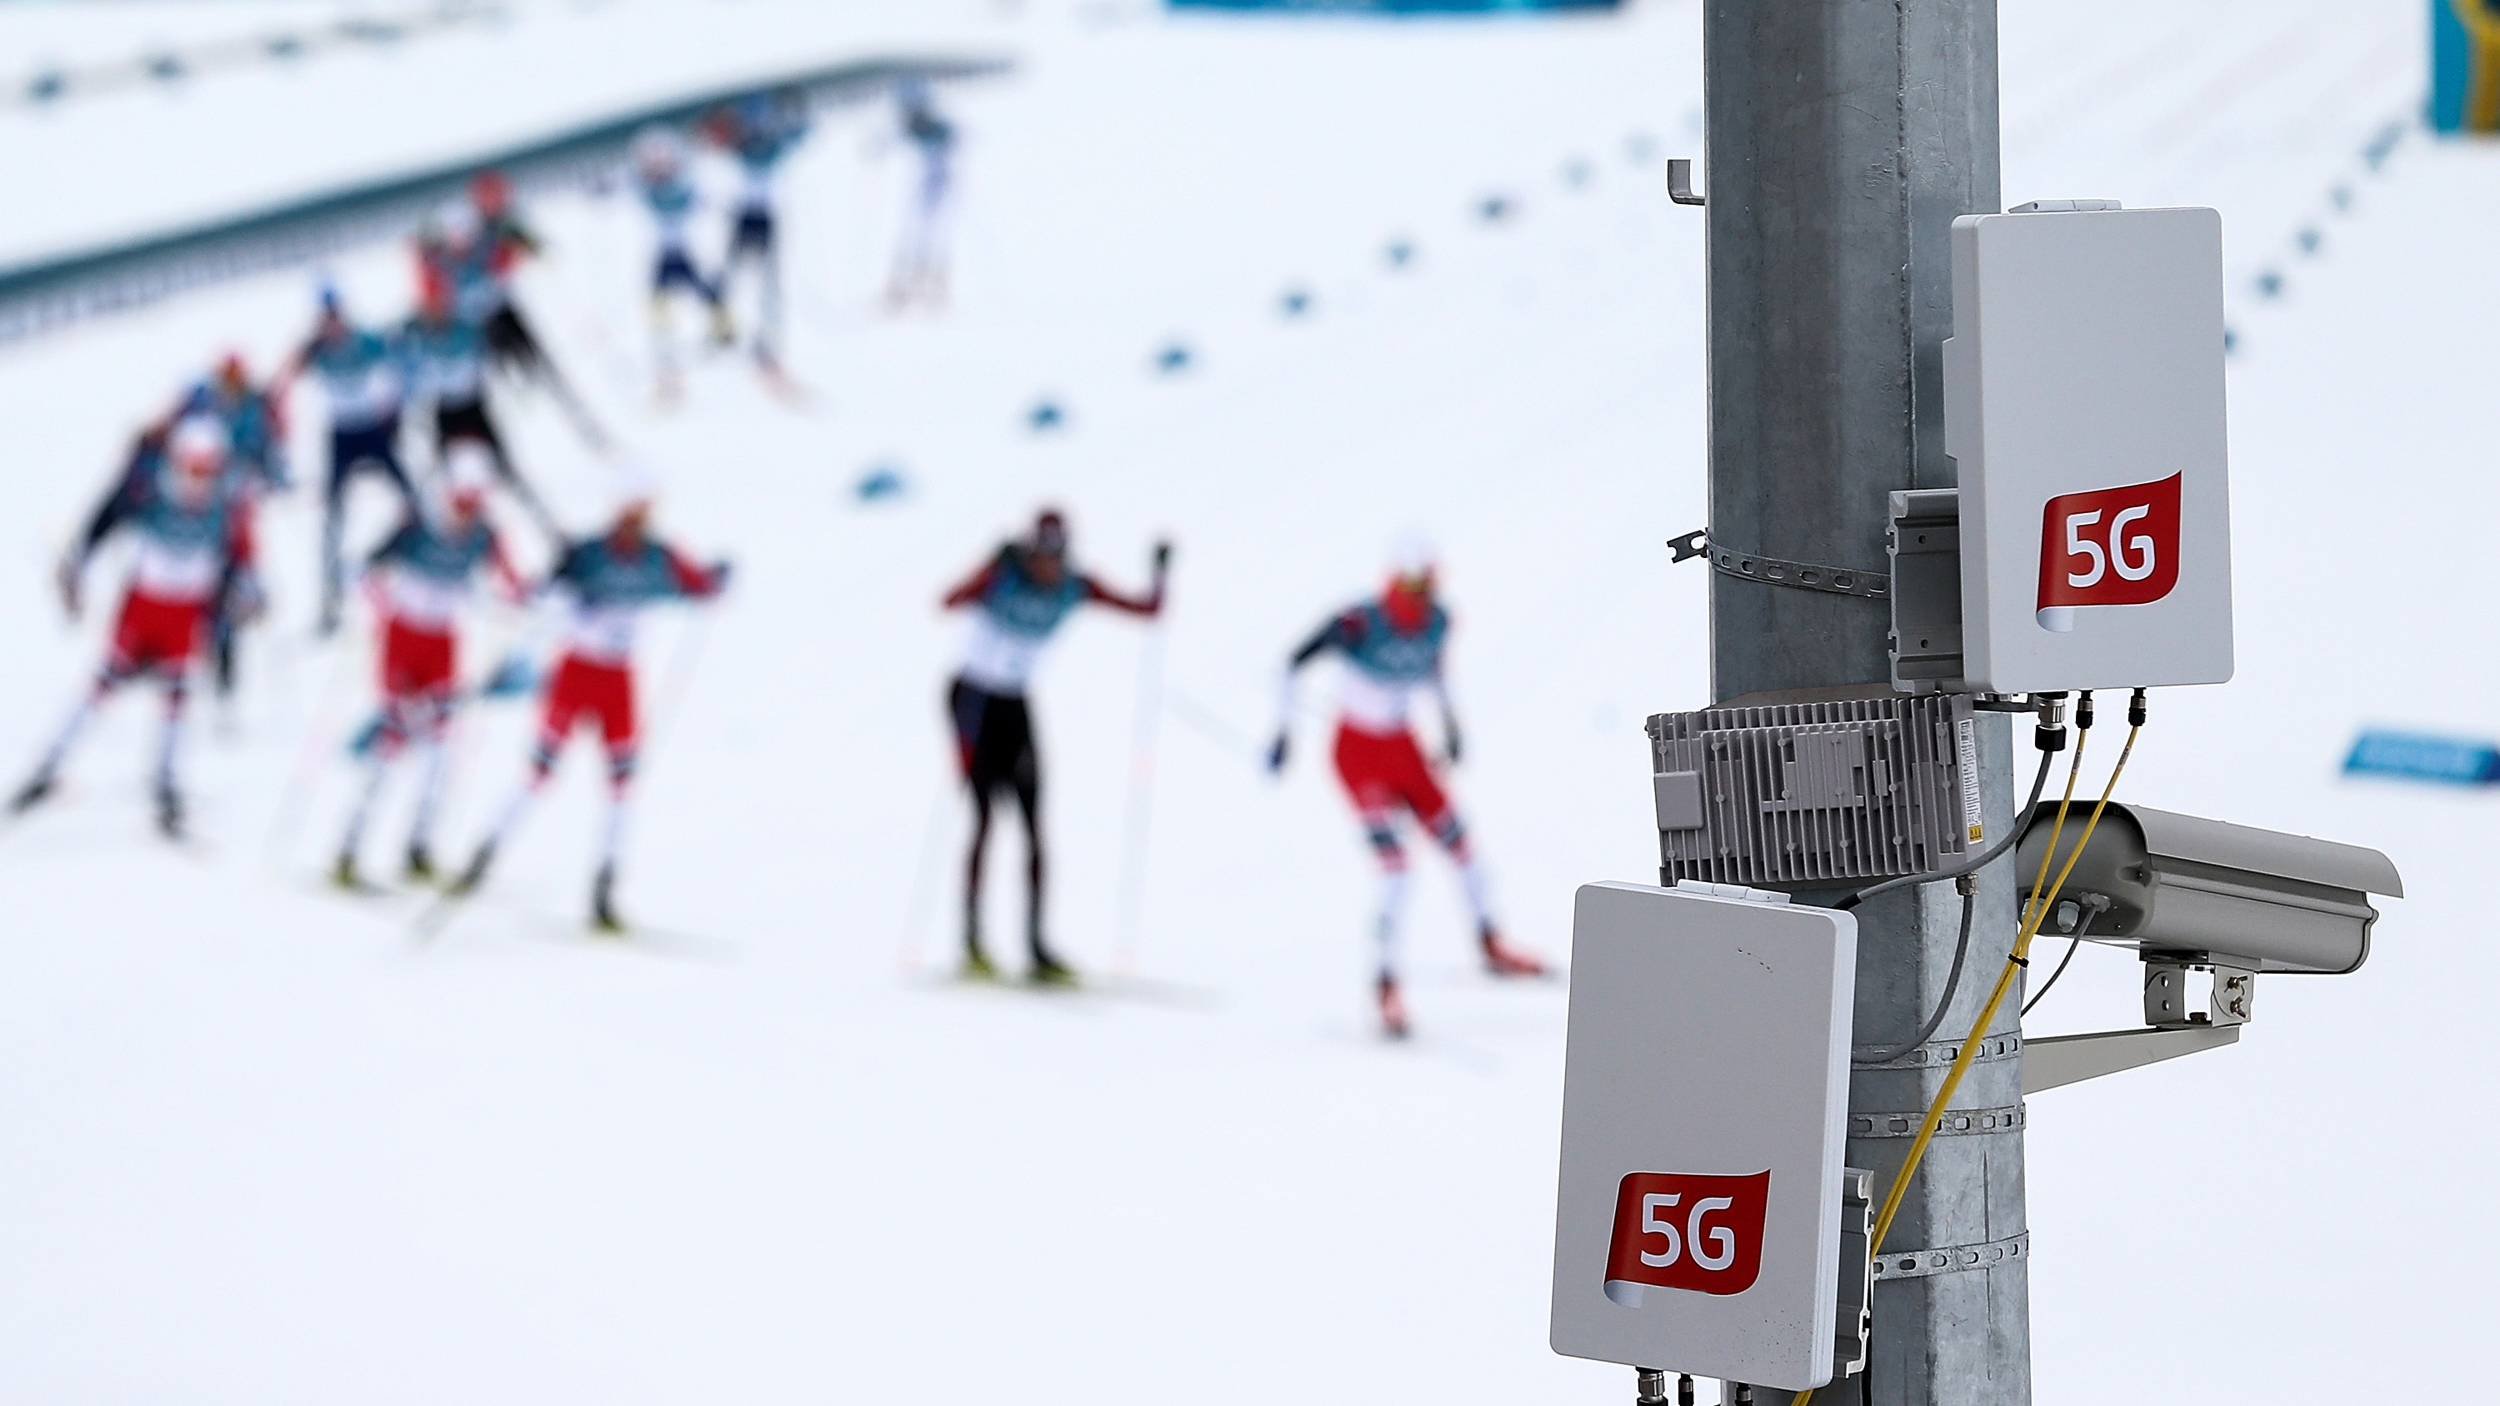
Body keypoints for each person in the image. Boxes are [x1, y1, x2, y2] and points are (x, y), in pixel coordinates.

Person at [1268, 539, 1543, 1038]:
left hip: (1405, 751)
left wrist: (1452, 726)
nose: (1417, 595)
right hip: (1358, 756)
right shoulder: (1359, 622)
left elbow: (1438, 673)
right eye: (1409, 585)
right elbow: (1291, 662)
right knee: (1397, 870)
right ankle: (1385, 984)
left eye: (1425, 584)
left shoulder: (1437, 621)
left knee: (1464, 849)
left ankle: (1491, 942)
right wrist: (1282, 733)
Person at [447, 478, 728, 930]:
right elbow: (542, 591)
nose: (636, 519)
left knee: (621, 782)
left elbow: (697, 585)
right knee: (540, 773)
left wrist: (716, 581)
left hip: (619, 680)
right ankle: (481, 858)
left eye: (643, 510)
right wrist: (549, 600)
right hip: (577, 673)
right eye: (630, 509)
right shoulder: (588, 553)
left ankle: (604, 891)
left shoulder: (659, 555)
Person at [939, 510, 1168, 983]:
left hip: (1014, 705)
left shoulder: (1074, 586)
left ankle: (1037, 948)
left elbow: (1147, 611)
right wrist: (987, 565)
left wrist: (1162, 575)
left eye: (1056, 556)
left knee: (1034, 825)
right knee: (983, 818)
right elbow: (948, 602)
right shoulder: (1002, 576)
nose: (1048, 566)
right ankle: (972, 943)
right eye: (1040, 556)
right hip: (973, 699)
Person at [11, 417, 255, 837]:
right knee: (103, 685)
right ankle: (48, 765)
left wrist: (246, 588)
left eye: (208, 471)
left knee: (177, 695)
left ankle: (166, 783)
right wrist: (79, 563)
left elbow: (236, 552)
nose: (200, 481)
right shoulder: (150, 489)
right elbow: (105, 519)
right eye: (194, 470)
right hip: (144, 607)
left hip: (186, 612)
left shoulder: (225, 503)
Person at [331, 446, 524, 888]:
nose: (467, 513)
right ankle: (348, 847)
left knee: (440, 746)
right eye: (461, 502)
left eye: (475, 503)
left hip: (442, 644)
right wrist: (380, 605)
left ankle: (418, 846)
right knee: (392, 742)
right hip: (403, 639)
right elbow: (364, 569)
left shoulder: (485, 533)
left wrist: (519, 600)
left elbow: (511, 580)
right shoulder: (416, 523)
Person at [286, 289, 416, 634]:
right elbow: (283, 381)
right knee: (333, 520)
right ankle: (330, 602)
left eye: (335, 318)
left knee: (415, 500)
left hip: (373, 429)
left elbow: (402, 361)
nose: (332, 326)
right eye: (326, 320)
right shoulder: (315, 350)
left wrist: (398, 411)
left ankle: (399, 566)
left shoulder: (366, 340)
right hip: (342, 436)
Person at [399, 282, 557, 538]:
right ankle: (453, 535)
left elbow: (489, 353)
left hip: (473, 404)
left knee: (506, 468)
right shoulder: (417, 335)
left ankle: (545, 525)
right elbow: (407, 372)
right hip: (445, 411)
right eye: (430, 306)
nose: (436, 312)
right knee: (443, 476)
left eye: (440, 304)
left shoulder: (466, 327)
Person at [704, 92, 809, 368]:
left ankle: (769, 340)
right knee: (729, 275)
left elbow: (802, 132)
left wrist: (796, 108)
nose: (757, 129)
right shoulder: (743, 144)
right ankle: (722, 330)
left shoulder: (771, 146)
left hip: (764, 220)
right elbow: (713, 137)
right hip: (745, 218)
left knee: (766, 282)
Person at [631, 124, 733, 391]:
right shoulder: (646, 188)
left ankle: (723, 332)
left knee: (708, 293)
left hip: (681, 254)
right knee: (659, 303)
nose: (659, 169)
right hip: (665, 257)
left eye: (662, 162)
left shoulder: (679, 186)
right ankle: (665, 354)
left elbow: (703, 198)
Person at [887, 78, 957, 311]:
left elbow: (947, 138)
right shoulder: (922, 129)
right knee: (915, 232)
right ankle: (910, 285)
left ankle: (930, 285)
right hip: (925, 185)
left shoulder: (937, 129)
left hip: (938, 186)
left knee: (930, 233)